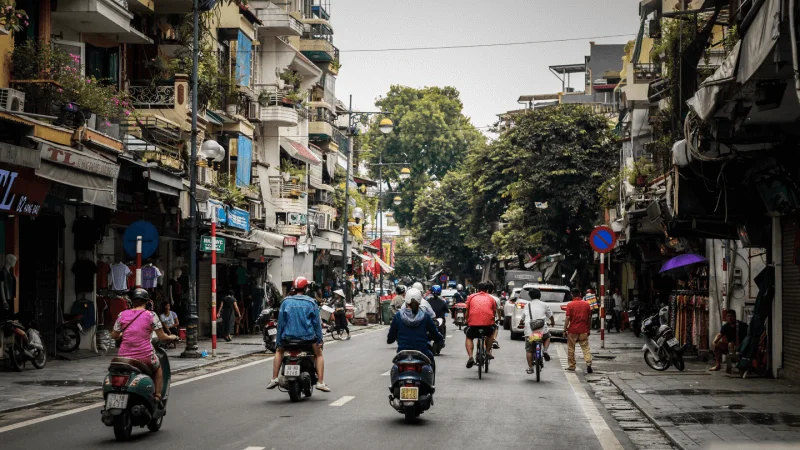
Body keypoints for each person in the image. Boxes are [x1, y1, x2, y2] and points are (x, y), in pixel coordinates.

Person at [111, 288, 178, 405]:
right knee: (157, 368)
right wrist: (173, 337)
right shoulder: (151, 315)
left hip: (123, 358)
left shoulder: (122, 315)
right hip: (144, 357)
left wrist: (123, 334)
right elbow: (162, 337)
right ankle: (157, 396)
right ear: (147, 302)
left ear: (131, 301)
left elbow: (114, 335)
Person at [267, 277, 329, 392]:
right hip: (308, 339)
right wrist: (320, 340)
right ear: (306, 288)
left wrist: (279, 341)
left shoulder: (285, 302)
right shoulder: (311, 302)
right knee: (319, 355)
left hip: (288, 338)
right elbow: (317, 325)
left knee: (279, 351)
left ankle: (274, 378)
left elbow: (281, 324)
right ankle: (320, 382)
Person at [387, 288, 443, 376]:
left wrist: (390, 339)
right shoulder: (425, 316)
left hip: (402, 353)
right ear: (420, 300)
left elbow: (391, 337)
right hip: (422, 352)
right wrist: (439, 340)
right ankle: (431, 385)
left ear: (406, 300)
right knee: (431, 359)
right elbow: (434, 333)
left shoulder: (398, 316)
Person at [464, 282, 498, 368]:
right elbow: (494, 312)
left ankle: (471, 357)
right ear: (487, 290)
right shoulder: (491, 299)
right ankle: (487, 351)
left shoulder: (471, 297)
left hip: (473, 325)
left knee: (469, 337)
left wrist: (466, 321)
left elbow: (467, 311)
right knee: (491, 333)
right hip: (487, 325)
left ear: (477, 289)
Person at [523, 288, 555, 374]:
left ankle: (530, 368)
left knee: (529, 350)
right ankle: (545, 350)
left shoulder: (527, 305)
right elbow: (550, 316)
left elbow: (523, 318)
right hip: (542, 331)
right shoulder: (544, 305)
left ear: (530, 296)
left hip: (530, 332)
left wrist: (521, 323)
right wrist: (552, 322)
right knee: (547, 336)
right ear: (539, 295)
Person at [565, 287, 592, 373]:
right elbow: (589, 318)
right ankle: (588, 363)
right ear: (580, 294)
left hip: (572, 330)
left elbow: (568, 318)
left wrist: (565, 328)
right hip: (583, 329)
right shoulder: (587, 304)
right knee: (585, 347)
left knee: (571, 348)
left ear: (572, 295)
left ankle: (572, 366)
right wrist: (589, 329)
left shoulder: (570, 305)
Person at [486, 281, 503, 349]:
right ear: (492, 290)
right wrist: (499, 318)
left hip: (476, 322)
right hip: (491, 320)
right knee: (496, 326)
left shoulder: (476, 297)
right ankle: (493, 339)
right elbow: (498, 310)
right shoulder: (496, 299)